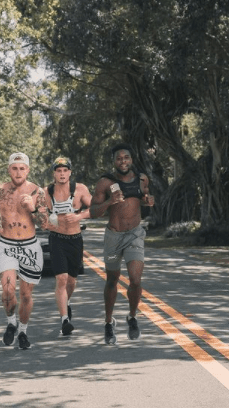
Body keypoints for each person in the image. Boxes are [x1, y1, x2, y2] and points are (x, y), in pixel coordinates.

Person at [90, 143, 155, 345]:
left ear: (131, 160)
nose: (123, 161)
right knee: (112, 280)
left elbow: (141, 199)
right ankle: (109, 323)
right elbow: (93, 212)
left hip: (135, 234)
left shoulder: (142, 179)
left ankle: (132, 317)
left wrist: (148, 201)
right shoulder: (105, 182)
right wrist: (110, 201)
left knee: (135, 279)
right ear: (114, 161)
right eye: (119, 158)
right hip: (114, 237)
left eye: (126, 157)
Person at [0, 152, 49, 349]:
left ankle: (22, 330)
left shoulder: (38, 192)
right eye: (15, 168)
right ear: (9, 169)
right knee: (7, 291)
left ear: (28, 170)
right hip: (7, 245)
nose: (18, 172)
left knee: (26, 295)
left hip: (29, 247)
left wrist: (32, 208)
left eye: (22, 168)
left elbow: (45, 224)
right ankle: (11, 322)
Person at [44, 156, 92, 336]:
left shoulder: (80, 189)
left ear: (70, 172)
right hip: (56, 239)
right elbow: (35, 212)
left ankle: (66, 302)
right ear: (54, 173)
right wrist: (44, 221)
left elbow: (94, 208)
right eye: (58, 171)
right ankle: (65, 320)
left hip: (75, 239)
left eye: (65, 171)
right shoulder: (46, 192)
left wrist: (79, 217)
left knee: (71, 281)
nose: (62, 174)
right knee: (61, 279)